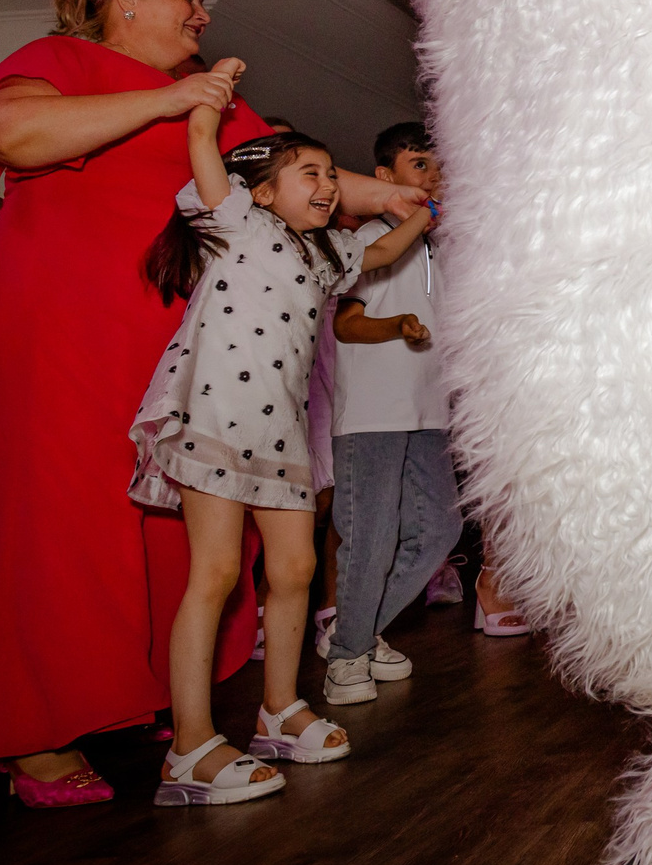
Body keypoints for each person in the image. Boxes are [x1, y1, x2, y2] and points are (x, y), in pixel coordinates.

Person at [0, 0, 414, 805]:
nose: (201, 16)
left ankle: (145, 699)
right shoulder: (59, 61)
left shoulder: (217, 103)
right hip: (58, 328)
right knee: (58, 515)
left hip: (178, 342)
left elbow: (297, 179)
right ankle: (33, 729)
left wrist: (394, 199)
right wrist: (176, 99)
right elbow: (8, 135)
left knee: (170, 528)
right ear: (121, 1)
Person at [132, 89, 432, 804]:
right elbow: (203, 144)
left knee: (295, 568)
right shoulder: (238, 225)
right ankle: (191, 746)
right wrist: (210, 96)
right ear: (261, 192)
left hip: (281, 432)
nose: (328, 185)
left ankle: (281, 712)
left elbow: (384, 244)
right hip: (215, 418)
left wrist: (424, 209)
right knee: (216, 573)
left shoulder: (328, 253)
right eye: (311, 173)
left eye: (333, 174)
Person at [322, 119, 465, 704]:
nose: (436, 176)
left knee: (440, 528)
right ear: (385, 179)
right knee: (370, 534)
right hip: (373, 413)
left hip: (429, 411)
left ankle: (355, 633)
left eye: (440, 165)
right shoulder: (376, 236)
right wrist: (397, 327)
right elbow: (345, 321)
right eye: (420, 166)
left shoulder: (441, 249)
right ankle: (345, 658)